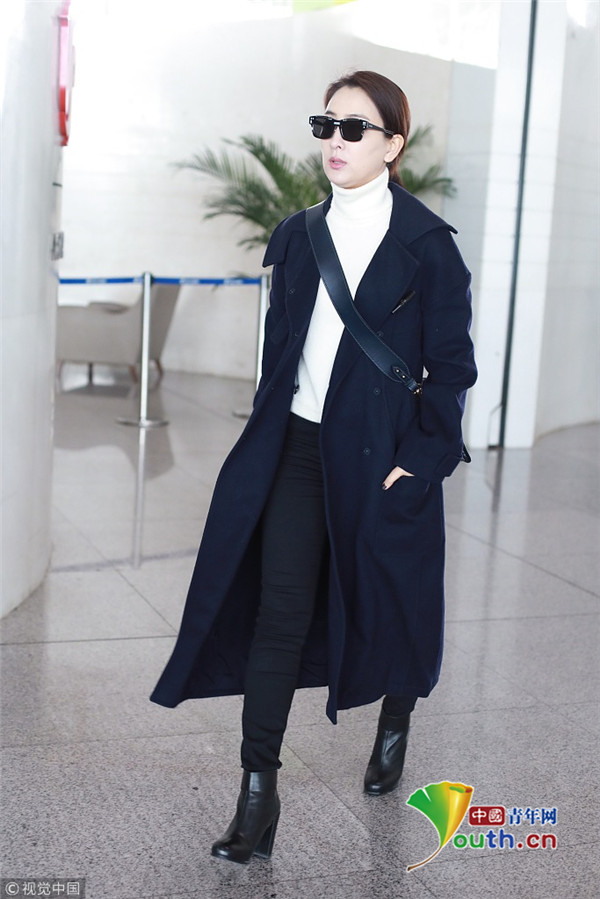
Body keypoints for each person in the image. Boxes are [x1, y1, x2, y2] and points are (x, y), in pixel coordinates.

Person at [151, 70, 477, 865]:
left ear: (393, 145)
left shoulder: (428, 246)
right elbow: (280, 353)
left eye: (355, 128)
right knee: (280, 613)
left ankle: (396, 714)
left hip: (385, 456)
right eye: (326, 124)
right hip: (298, 448)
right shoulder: (298, 236)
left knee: (396, 599)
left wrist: (421, 461)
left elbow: (452, 368)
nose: (335, 140)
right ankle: (257, 794)